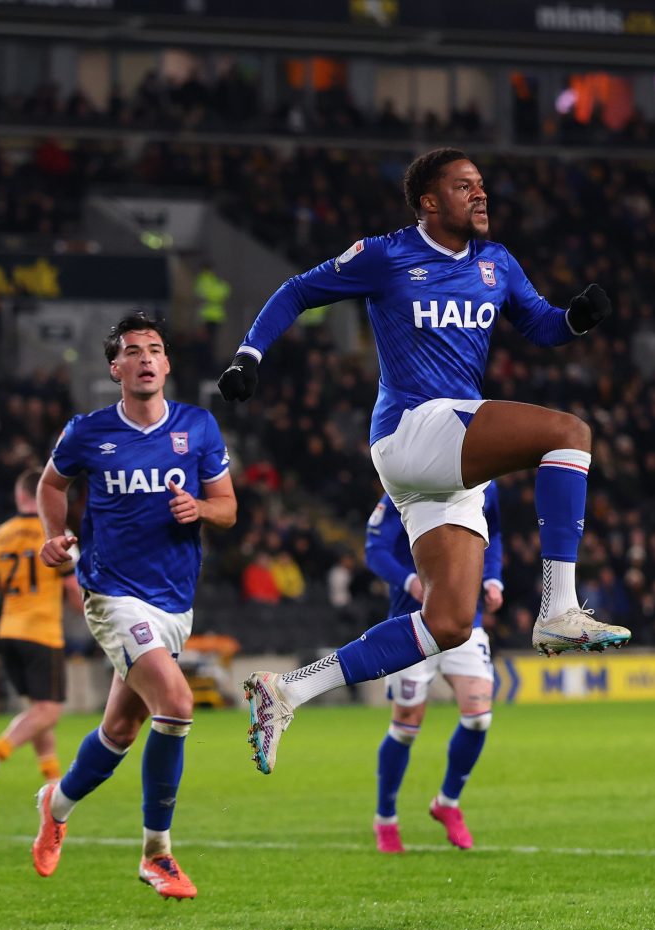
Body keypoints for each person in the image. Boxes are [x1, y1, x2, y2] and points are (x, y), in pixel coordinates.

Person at [218, 146, 631, 775]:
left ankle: (288, 690)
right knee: (569, 433)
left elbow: (541, 325)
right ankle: (558, 608)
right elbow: (298, 290)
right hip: (411, 427)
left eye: (481, 184)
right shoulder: (387, 255)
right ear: (429, 202)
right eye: (464, 186)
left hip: (442, 458)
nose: (480, 193)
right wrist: (249, 356)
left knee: (449, 622)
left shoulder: (496, 263)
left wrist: (575, 319)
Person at [33, 312, 237, 900]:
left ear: (166, 364)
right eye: (132, 350)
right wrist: (54, 535)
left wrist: (199, 509)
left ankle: (56, 804)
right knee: (177, 703)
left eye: (154, 349)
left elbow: (227, 508)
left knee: (121, 728)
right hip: (112, 593)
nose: (145, 357)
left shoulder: (198, 427)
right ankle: (157, 854)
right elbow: (52, 484)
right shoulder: (88, 431)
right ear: (115, 368)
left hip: (174, 602)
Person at [366, 482, 503, 853]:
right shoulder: (406, 484)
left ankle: (448, 802)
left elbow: (492, 533)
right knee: (406, 725)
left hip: (465, 619)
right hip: (412, 622)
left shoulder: (485, 484)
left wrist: (493, 578)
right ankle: (385, 818)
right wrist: (409, 580)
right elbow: (375, 550)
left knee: (479, 716)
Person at [0, 467, 83, 799]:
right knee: (49, 711)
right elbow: (73, 588)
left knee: (38, 712)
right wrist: (92, 612)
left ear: (19, 496)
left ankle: (53, 781)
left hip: (9, 633)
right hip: (42, 632)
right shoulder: (56, 534)